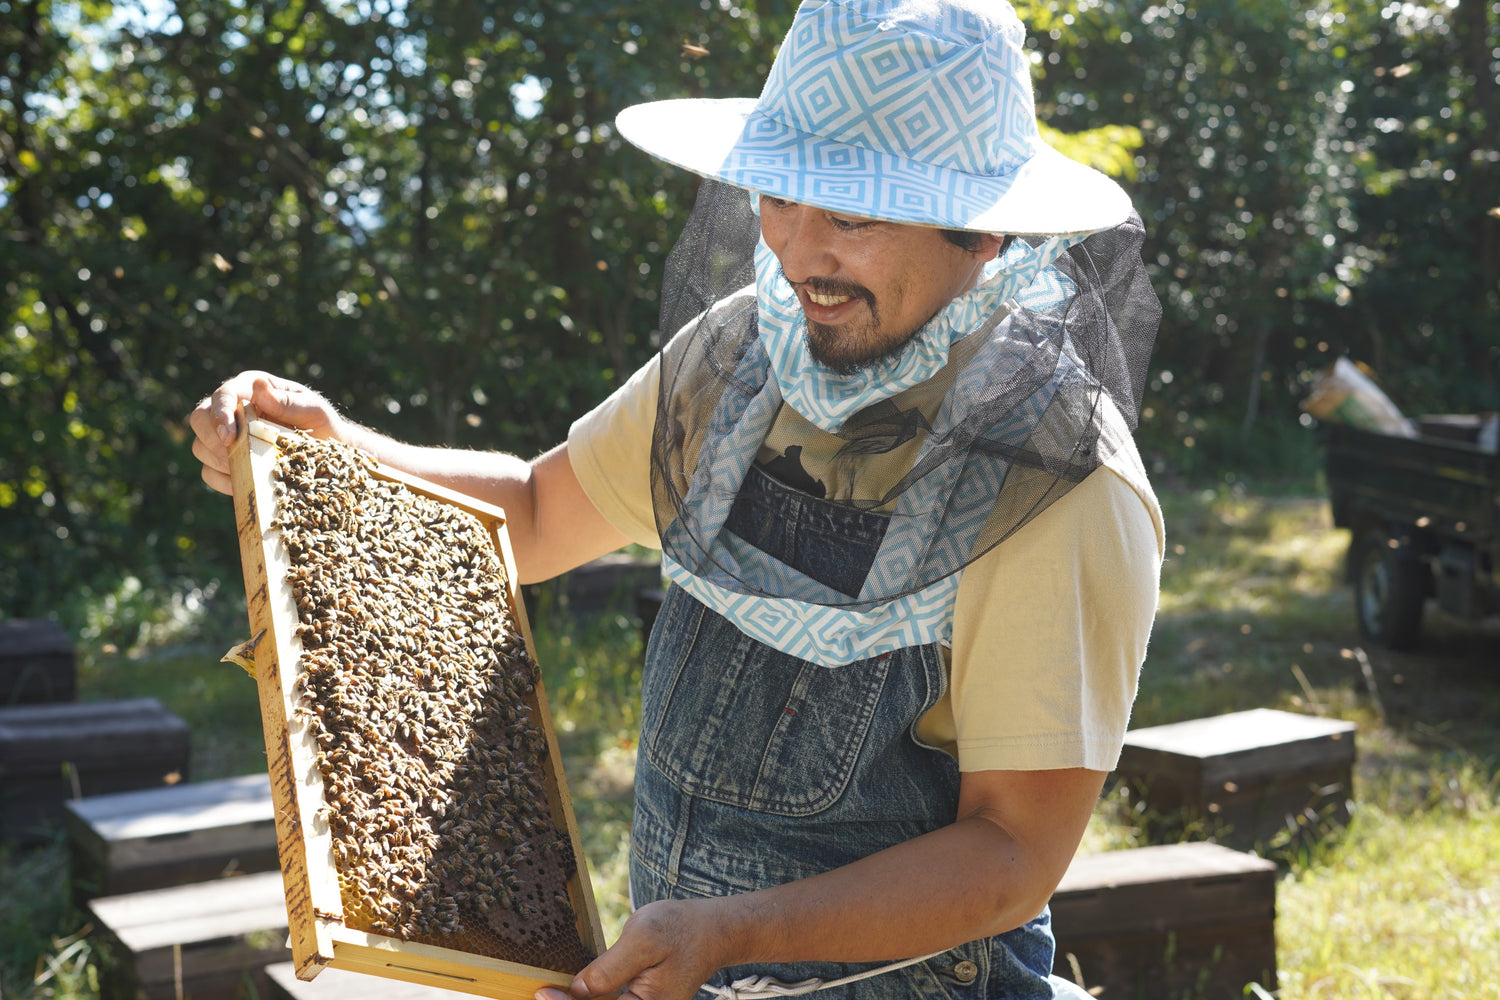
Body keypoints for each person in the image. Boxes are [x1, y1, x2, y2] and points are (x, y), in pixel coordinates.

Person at [190, 1, 1164, 997]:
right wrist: (335, 450)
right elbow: (529, 516)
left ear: (983, 229)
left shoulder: (1060, 481)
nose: (797, 250)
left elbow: (1012, 854)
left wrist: (732, 931)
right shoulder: (741, 353)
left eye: (852, 214)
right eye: (781, 198)